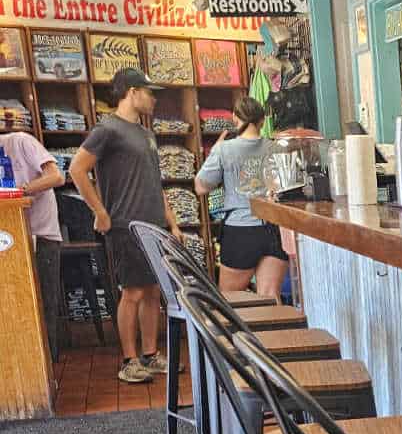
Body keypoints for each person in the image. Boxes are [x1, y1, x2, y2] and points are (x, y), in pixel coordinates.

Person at [69, 67, 185, 384]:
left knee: (152, 292)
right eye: (149, 92)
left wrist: (172, 223)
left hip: (154, 226)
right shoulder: (107, 129)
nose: (153, 99)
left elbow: (154, 182)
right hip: (126, 226)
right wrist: (100, 212)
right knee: (132, 292)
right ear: (132, 92)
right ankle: (129, 361)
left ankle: (149, 354)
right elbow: (77, 169)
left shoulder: (146, 134)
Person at [194, 97, 288, 298]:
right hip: (273, 229)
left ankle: (241, 332)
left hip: (239, 231)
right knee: (270, 297)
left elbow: (201, 187)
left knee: (231, 298)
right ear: (262, 121)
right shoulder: (276, 148)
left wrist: (215, 152)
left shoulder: (224, 149)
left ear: (235, 118)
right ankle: (274, 331)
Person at [0, 131, 65, 360]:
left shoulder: (20, 141)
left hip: (42, 234)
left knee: (44, 302)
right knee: (12, 305)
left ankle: (48, 365)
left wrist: (20, 192)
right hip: (10, 239)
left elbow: (57, 177)